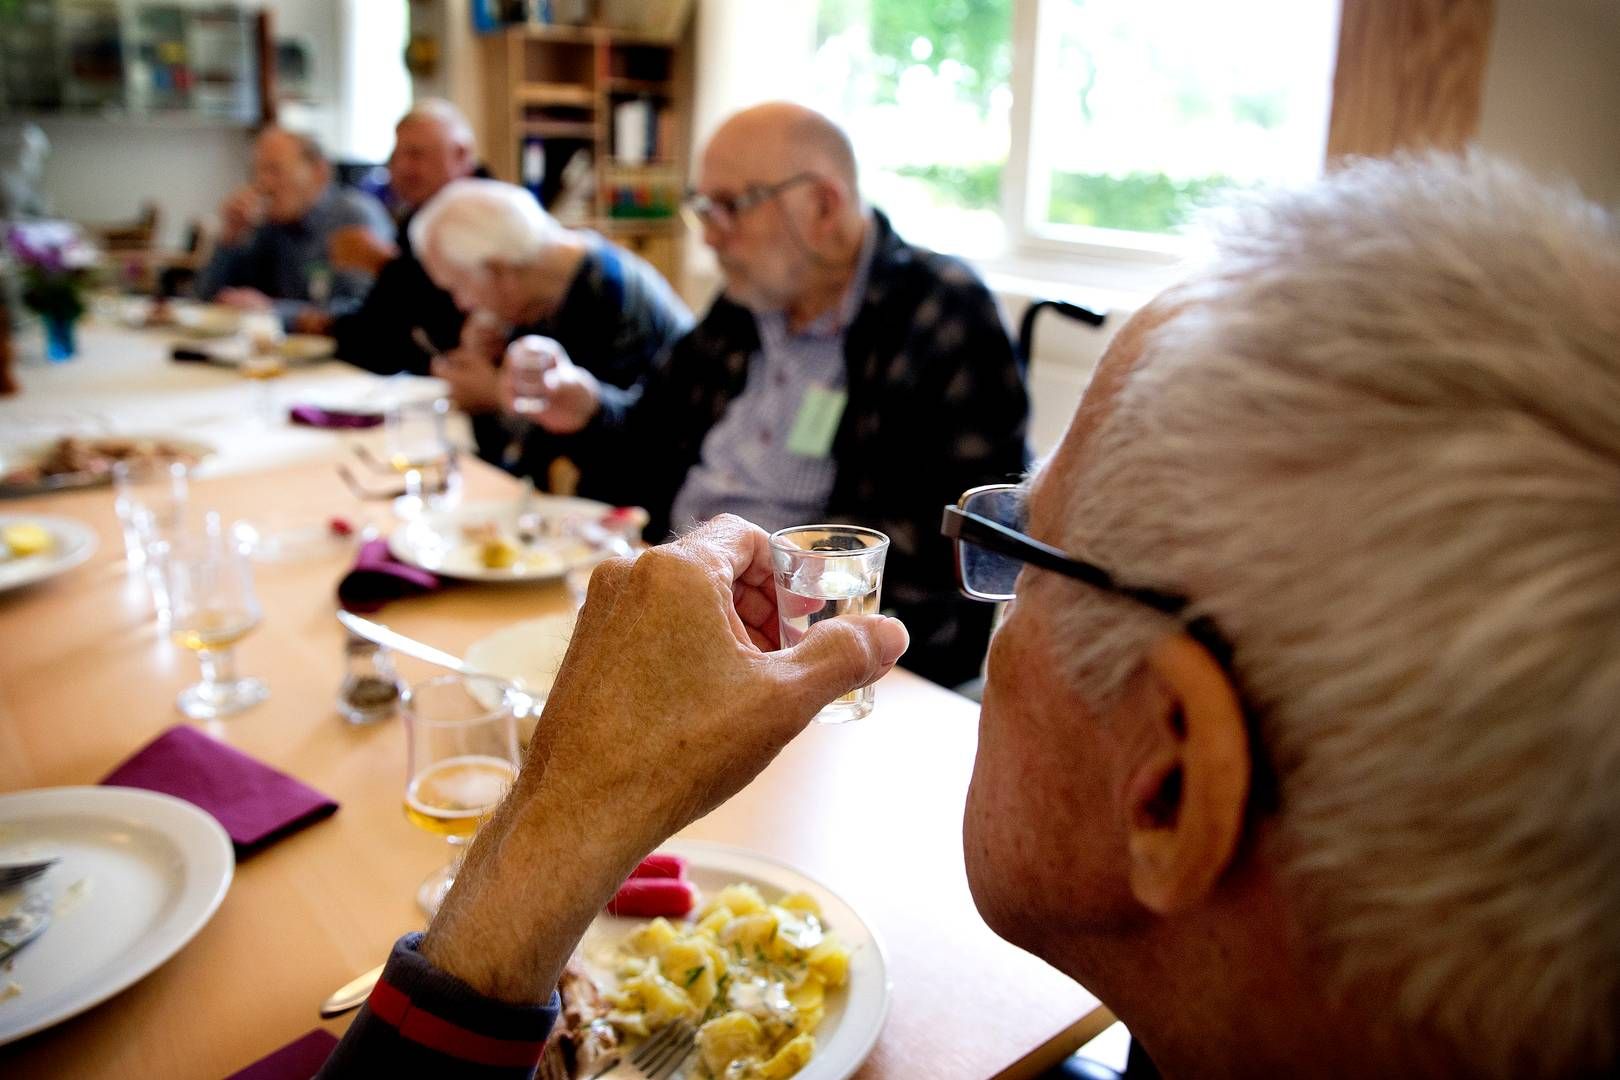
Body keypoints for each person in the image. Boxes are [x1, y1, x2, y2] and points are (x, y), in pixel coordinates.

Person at [320, 152, 1620, 1079]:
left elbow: (901, 571)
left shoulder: (930, 315)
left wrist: (557, 826)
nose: (706, 227)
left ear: (1171, 787)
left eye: (1021, 543)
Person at [496, 102, 1030, 687]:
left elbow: (964, 540)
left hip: (826, 657)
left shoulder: (940, 311)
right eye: (702, 207)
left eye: (730, 207)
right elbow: (648, 438)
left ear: (822, 206)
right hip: (679, 609)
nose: (708, 235)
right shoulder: (747, 303)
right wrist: (588, 408)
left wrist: (758, 588)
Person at [409, 177, 692, 478]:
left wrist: (495, 394)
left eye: (457, 287)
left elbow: (615, 454)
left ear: (498, 270)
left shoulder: (611, 294)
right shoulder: (541, 295)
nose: (461, 304)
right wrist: (490, 359)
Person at [325, 99, 482, 374]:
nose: (402, 168)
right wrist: (329, 326)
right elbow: (382, 332)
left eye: (416, 155)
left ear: (461, 156)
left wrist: (384, 266)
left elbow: (451, 330)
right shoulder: (417, 217)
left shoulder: (487, 213)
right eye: (396, 156)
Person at [194, 126, 393, 331]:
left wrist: (274, 311)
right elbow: (207, 299)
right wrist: (230, 238)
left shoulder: (353, 217)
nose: (263, 183)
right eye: (256, 172)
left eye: (274, 170)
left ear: (319, 172)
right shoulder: (268, 224)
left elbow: (365, 311)